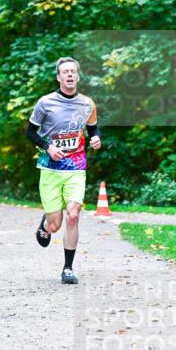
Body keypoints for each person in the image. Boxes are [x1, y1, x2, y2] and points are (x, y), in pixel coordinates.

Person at [24, 57, 100, 284]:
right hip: (50, 168)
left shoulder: (88, 103)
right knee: (55, 225)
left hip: (76, 167)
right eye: (64, 71)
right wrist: (48, 146)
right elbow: (30, 132)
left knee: (74, 215)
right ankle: (46, 223)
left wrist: (95, 137)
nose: (69, 74)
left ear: (77, 76)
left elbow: (94, 127)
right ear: (58, 77)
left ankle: (68, 268)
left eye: (72, 71)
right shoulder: (45, 103)